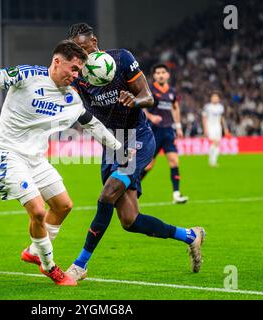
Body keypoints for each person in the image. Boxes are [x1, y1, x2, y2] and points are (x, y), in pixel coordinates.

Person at [0, 40, 122, 286]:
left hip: (36, 158)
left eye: (78, 71)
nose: (75, 75)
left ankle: (33, 251)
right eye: (72, 68)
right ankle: (50, 267)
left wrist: (119, 149)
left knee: (63, 206)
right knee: (38, 211)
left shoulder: (71, 98)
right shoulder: (28, 75)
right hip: (8, 154)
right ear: (57, 61)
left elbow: (92, 124)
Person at [65, 23, 206, 281]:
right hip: (111, 144)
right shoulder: (77, 77)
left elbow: (148, 97)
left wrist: (134, 99)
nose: (85, 57)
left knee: (107, 194)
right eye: (78, 53)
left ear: (95, 42)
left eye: (86, 49)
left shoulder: (121, 59)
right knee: (130, 221)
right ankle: (191, 235)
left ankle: (80, 265)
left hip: (137, 139)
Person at [141, 63, 189, 204]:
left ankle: (176, 194)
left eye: (163, 72)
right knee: (148, 165)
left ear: (168, 75)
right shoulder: (149, 90)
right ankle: (131, 188)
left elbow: (175, 108)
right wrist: (151, 117)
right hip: (153, 131)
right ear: (154, 76)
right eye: (158, 72)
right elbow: (141, 107)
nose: (161, 74)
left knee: (174, 161)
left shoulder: (172, 91)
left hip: (168, 130)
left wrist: (179, 126)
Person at [202, 92, 229, 167]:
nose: (215, 99)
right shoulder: (207, 107)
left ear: (218, 99)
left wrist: (225, 128)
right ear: (211, 98)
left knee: (217, 144)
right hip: (210, 126)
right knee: (215, 142)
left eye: (216, 97)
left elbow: (222, 118)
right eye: (214, 97)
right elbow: (204, 118)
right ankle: (212, 159)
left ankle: (213, 160)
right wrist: (205, 129)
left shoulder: (220, 107)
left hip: (218, 127)